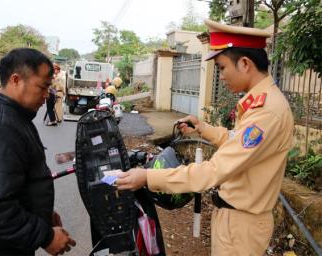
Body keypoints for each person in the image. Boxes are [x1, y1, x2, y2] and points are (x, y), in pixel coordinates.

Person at [116, 19, 294, 256]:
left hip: (241, 227)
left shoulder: (266, 113)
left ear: (244, 63)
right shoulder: (259, 104)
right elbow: (237, 141)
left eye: (221, 67)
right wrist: (202, 128)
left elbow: (212, 171)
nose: (220, 76)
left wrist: (148, 176)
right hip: (235, 220)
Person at [0, 48, 76, 255]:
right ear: (16, 80)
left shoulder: (13, 114)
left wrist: (41, 213)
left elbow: (13, 183)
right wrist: (45, 236)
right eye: (43, 87)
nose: (47, 94)